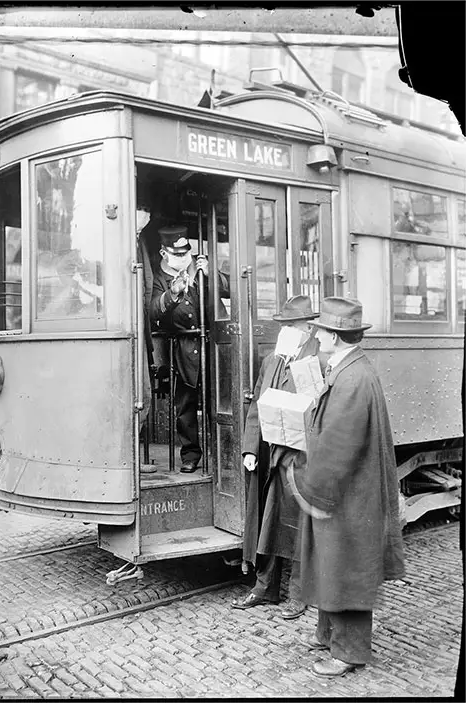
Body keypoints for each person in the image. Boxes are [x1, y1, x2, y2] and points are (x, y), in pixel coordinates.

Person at [294, 296, 406, 678]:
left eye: (320, 329)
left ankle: (348, 652)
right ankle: (329, 634)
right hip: (349, 490)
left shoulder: (352, 377)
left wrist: (314, 488)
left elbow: (341, 442)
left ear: (336, 336)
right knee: (335, 563)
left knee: (348, 568)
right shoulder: (350, 369)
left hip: (347, 494)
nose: (316, 334)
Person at [232, 295, 320, 619]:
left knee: (298, 524)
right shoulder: (271, 360)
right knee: (268, 521)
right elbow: (257, 405)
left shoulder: (316, 362)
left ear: (308, 329)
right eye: (283, 325)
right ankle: (264, 587)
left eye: (291, 325)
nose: (284, 330)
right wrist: (249, 448)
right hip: (270, 455)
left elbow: (321, 411)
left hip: (301, 457)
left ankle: (300, 593)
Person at [150, 225, 230, 473]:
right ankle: (191, 454)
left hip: (213, 347)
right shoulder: (160, 279)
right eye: (177, 255)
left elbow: (228, 290)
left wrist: (210, 276)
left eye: (186, 254)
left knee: (218, 403)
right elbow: (153, 312)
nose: (184, 259)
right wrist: (172, 294)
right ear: (164, 254)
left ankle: (222, 453)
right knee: (185, 407)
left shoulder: (200, 267)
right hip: (183, 350)